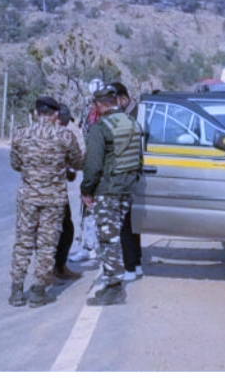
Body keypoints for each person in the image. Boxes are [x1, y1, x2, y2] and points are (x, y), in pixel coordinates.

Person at [8, 97, 85, 307]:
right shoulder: (64, 136)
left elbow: (15, 164)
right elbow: (78, 162)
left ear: (35, 113)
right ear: (55, 115)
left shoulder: (21, 134)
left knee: (23, 241)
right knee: (46, 245)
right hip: (53, 198)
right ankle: (38, 291)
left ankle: (16, 290)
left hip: (28, 197)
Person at [80, 86, 145, 306]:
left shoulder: (101, 128)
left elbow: (93, 165)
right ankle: (112, 283)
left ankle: (114, 288)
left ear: (99, 104)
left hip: (108, 190)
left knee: (108, 239)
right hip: (126, 188)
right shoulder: (133, 123)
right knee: (116, 234)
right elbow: (139, 158)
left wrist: (86, 190)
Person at [108, 81, 144, 280]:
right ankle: (135, 263)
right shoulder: (133, 113)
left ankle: (131, 266)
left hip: (128, 175)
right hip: (131, 174)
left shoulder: (134, 114)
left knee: (126, 223)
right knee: (131, 222)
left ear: (122, 98)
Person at [52, 104, 83, 281]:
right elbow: (76, 164)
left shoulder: (30, 134)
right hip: (54, 192)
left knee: (64, 229)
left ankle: (59, 267)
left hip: (33, 194)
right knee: (58, 231)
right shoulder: (64, 136)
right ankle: (54, 270)